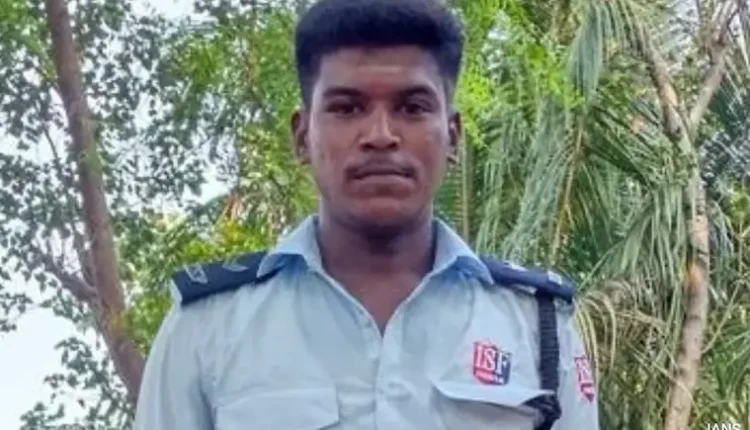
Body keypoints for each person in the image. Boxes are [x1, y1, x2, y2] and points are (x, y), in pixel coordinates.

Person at [133, 0, 599, 429]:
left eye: (412, 107)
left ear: (453, 136)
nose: (380, 135)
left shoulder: (538, 328)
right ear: (302, 136)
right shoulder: (207, 328)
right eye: (347, 108)